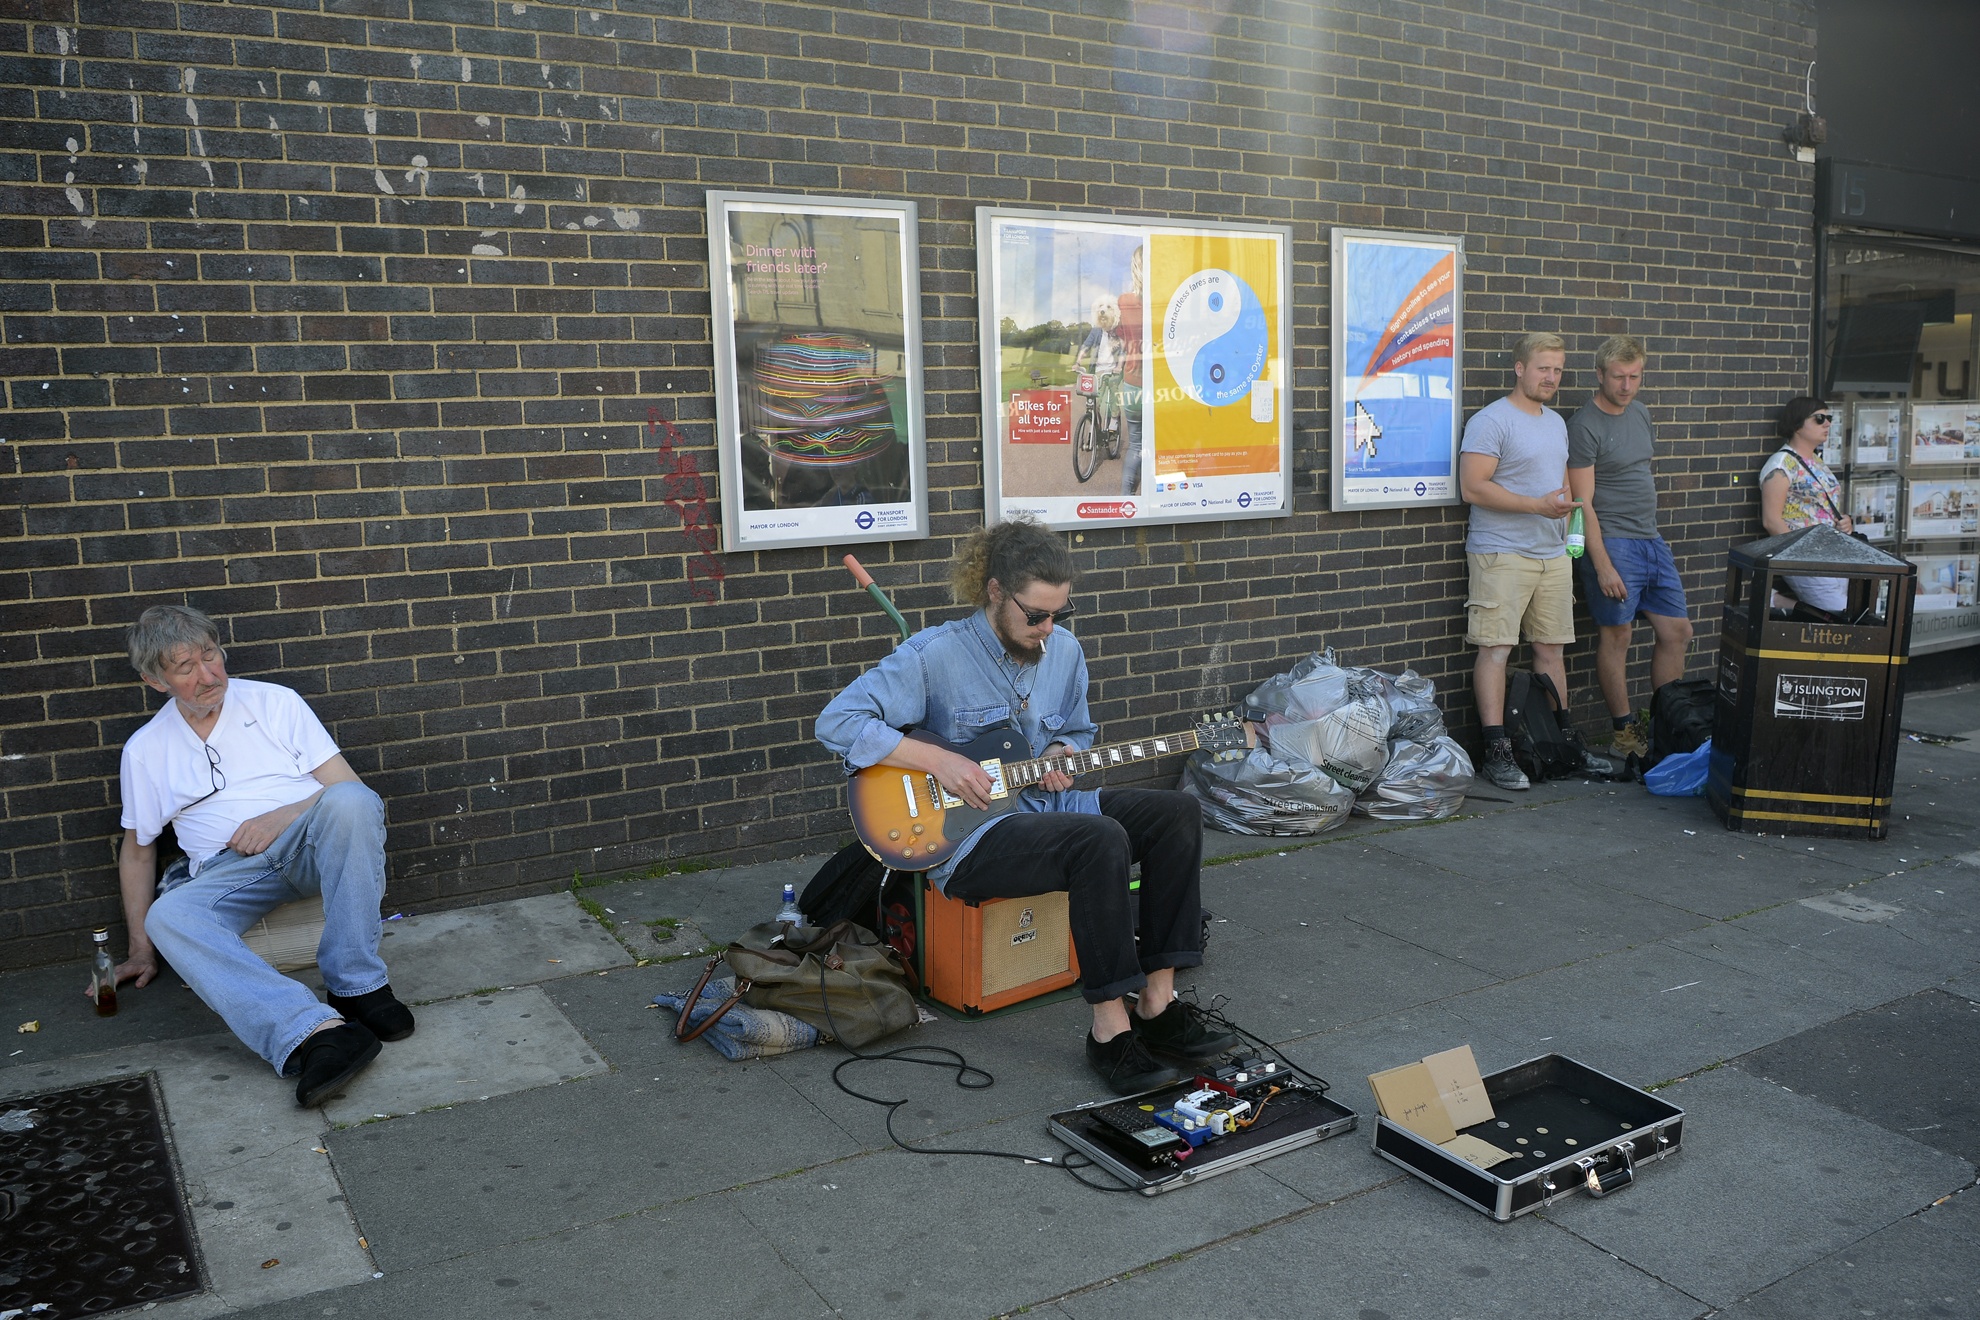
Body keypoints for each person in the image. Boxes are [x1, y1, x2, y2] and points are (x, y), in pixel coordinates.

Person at [814, 518, 1235, 1094]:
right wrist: (937, 761)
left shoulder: (1064, 652)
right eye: (1034, 615)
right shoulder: (934, 655)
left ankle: (1158, 1003)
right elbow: (836, 722)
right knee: (1100, 839)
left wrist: (1063, 750)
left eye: (1059, 613)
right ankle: (1109, 1031)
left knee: (1176, 815)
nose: (1047, 628)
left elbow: (1080, 731)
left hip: (1047, 809)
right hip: (969, 837)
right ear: (994, 591)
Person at [106, 605, 413, 1107]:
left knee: (355, 804)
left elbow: (348, 789)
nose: (208, 676)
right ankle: (315, 1033)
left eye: (211, 656)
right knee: (171, 916)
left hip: (307, 845)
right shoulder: (146, 750)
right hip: (231, 871)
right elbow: (138, 852)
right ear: (155, 680)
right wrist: (141, 947)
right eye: (186, 668)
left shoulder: (275, 703)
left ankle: (357, 985)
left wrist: (283, 816)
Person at [1458, 332, 1605, 790]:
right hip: (1501, 552)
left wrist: (1566, 524)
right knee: (1495, 649)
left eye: (1558, 369)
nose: (1551, 377)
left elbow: (1561, 485)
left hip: (1552, 553)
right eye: (1543, 368)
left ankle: (1559, 742)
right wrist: (1536, 506)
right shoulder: (1491, 421)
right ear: (1519, 368)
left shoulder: (1556, 422)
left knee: (1551, 650)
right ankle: (1496, 751)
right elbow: (1473, 488)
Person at [1566, 335, 1694, 760]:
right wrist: (1600, 564)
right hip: (1613, 541)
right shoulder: (1583, 425)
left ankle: (1666, 724)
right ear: (1599, 374)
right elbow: (1581, 504)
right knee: (1618, 634)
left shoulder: (1640, 412)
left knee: (1677, 631)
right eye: (1618, 377)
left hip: (1650, 538)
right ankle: (1624, 732)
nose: (1626, 385)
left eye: (1634, 376)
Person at [1758, 397, 1854, 619]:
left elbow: (1820, 508)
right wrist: (1800, 560)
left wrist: (1845, 522)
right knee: (1839, 615)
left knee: (1849, 613)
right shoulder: (1781, 465)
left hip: (1834, 555)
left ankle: (1777, 600)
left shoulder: (1817, 462)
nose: (1827, 424)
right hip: (1807, 558)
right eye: (1820, 418)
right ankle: (1775, 601)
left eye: (1829, 418)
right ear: (1797, 424)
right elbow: (1771, 521)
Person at [1116, 245, 1147, 497]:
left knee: (1136, 445)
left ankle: (1126, 501)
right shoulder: (1165, 304)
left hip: (1132, 384)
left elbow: (1121, 336)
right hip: (1160, 388)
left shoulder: (1123, 302)